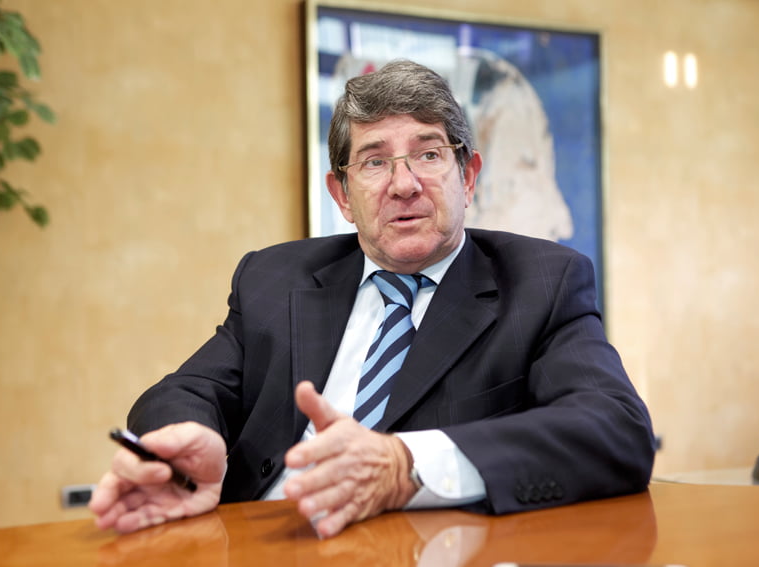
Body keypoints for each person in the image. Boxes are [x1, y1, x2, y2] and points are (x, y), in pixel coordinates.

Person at [89, 59, 655, 539]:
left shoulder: (542, 282)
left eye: (428, 154)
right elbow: (188, 389)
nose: (404, 184)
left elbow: (615, 429)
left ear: (468, 176)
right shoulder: (274, 279)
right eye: (375, 161)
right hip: (261, 543)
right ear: (342, 195)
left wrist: (406, 465)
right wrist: (190, 437)